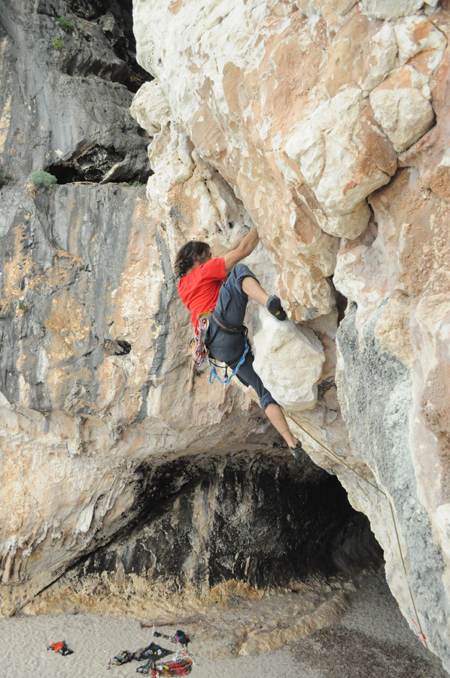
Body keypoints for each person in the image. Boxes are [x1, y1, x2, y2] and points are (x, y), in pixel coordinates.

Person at [175, 226, 304, 458]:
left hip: (217, 349)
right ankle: (269, 303)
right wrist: (259, 221)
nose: (212, 260)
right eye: (207, 257)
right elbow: (242, 252)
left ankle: (290, 441)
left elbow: (223, 265)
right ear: (197, 259)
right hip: (224, 325)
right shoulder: (202, 272)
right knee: (239, 273)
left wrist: (232, 245)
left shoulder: (184, 287)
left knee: (261, 387)